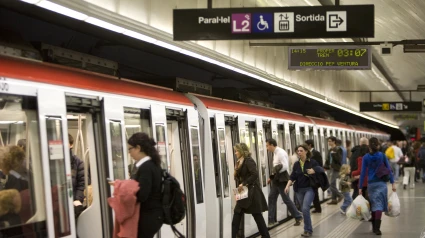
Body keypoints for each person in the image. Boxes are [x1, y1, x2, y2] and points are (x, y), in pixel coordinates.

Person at [127, 132, 164, 238]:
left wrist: (125, 189)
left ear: (138, 148)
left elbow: (142, 194)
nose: (129, 152)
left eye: (130, 149)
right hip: (154, 215)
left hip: (148, 216)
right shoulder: (153, 164)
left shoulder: (146, 167)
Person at [359, 137, 396, 236]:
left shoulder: (366, 157)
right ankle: (377, 228)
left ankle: (374, 226)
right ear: (378, 145)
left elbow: (363, 173)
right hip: (381, 184)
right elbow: (389, 169)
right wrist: (393, 183)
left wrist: (360, 187)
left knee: (374, 204)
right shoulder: (382, 155)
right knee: (378, 205)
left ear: (369, 146)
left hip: (371, 184)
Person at [232, 143, 269, 238]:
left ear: (241, 151)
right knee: (237, 213)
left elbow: (254, 174)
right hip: (243, 191)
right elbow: (239, 177)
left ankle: (266, 236)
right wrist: (236, 170)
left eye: (236, 151)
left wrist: (244, 183)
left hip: (252, 192)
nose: (235, 153)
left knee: (257, 215)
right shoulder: (239, 162)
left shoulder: (249, 161)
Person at [285, 144, 322, 237]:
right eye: (298, 151)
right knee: (303, 209)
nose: (299, 152)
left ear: (306, 151)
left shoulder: (312, 162)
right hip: (299, 190)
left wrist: (314, 170)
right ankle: (307, 229)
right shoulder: (297, 164)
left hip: (309, 188)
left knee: (305, 208)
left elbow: (320, 169)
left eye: (301, 151)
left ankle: (308, 230)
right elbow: (293, 176)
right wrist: (287, 185)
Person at [266, 139, 302, 227]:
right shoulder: (275, 153)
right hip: (277, 179)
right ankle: (271, 220)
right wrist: (272, 176)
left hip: (282, 179)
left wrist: (274, 174)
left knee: (286, 199)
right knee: (271, 197)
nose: (267, 148)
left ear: (272, 145)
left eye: (267, 146)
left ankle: (298, 216)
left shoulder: (280, 152)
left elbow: (285, 166)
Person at [324, 136, 343, 205]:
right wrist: (325, 166)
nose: (328, 142)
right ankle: (334, 199)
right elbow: (328, 159)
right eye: (328, 141)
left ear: (334, 142)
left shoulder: (338, 149)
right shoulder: (330, 150)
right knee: (333, 183)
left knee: (331, 184)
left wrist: (334, 154)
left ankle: (340, 195)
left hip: (336, 168)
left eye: (330, 141)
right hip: (330, 168)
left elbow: (339, 159)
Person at [305, 139, 323, 213]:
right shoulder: (307, 153)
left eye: (306, 145)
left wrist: (314, 170)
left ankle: (318, 208)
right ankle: (316, 207)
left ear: (309, 145)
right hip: (309, 176)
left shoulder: (316, 153)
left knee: (315, 192)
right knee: (313, 192)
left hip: (315, 176)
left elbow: (319, 164)